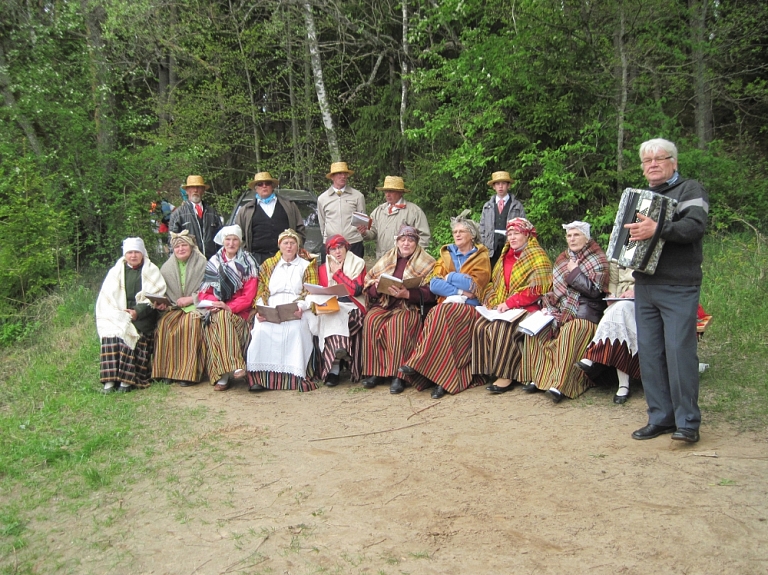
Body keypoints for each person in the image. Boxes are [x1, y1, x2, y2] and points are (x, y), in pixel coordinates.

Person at [626, 138, 708, 444]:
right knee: (649, 354)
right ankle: (660, 417)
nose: (653, 165)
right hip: (645, 284)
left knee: (679, 352)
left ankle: (688, 422)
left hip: (679, 285)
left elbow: (695, 228)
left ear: (673, 161)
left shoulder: (690, 189)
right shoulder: (640, 196)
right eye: (647, 161)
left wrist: (658, 228)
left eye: (659, 159)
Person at [398, 212, 492, 398]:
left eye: (461, 231)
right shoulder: (447, 254)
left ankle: (421, 364)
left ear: (471, 235)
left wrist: (449, 277)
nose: (456, 235)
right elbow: (434, 284)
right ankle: (442, 377)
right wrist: (458, 291)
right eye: (455, 231)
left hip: (471, 307)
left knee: (441, 315)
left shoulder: (481, 256)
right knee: (438, 314)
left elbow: (474, 286)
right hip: (448, 304)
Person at [518, 221, 609, 403]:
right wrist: (549, 306)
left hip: (585, 315)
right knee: (537, 329)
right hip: (563, 311)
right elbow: (557, 291)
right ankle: (540, 378)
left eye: (576, 235)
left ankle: (560, 384)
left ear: (586, 237)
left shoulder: (598, 257)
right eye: (569, 235)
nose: (572, 239)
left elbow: (594, 291)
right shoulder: (562, 258)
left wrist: (574, 272)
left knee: (570, 331)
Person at [472, 218, 553, 394]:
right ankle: (486, 371)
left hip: (528, 308)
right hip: (504, 307)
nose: (512, 238)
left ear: (527, 235)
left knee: (502, 327)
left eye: (517, 233)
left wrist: (510, 303)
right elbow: (494, 283)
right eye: (510, 234)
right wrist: (493, 301)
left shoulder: (538, 255)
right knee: (480, 325)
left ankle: (506, 374)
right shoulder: (505, 255)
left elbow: (538, 288)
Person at [360, 225, 436, 391]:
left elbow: (433, 291)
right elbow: (369, 282)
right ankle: (376, 373)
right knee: (372, 320)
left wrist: (408, 294)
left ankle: (399, 376)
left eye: (410, 240)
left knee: (398, 324)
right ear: (397, 242)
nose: (406, 243)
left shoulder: (427, 261)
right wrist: (377, 286)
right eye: (402, 240)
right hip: (386, 303)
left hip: (409, 306)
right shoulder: (387, 258)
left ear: (416, 243)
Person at [246, 229, 319, 391]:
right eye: (285, 243)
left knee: (296, 330)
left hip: (296, 306)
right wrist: (261, 309)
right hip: (272, 306)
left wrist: (302, 307)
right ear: (279, 246)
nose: (289, 247)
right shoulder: (269, 265)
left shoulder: (307, 266)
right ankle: (260, 379)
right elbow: (262, 290)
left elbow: (311, 291)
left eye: (292, 243)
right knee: (261, 331)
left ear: (297, 246)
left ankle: (295, 377)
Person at [96, 237, 166, 394]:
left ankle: (127, 381)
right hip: (119, 312)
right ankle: (110, 380)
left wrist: (137, 312)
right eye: (130, 252)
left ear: (142, 253)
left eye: (136, 252)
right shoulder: (115, 272)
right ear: (125, 254)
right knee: (112, 333)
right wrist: (119, 313)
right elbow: (107, 297)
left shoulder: (151, 270)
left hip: (143, 315)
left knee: (130, 333)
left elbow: (153, 296)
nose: (133, 256)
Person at [198, 225, 259, 391]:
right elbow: (205, 293)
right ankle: (235, 365)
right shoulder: (214, 262)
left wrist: (228, 306)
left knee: (222, 319)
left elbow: (249, 296)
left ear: (240, 242)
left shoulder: (248, 262)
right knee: (219, 318)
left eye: (235, 239)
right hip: (217, 310)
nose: (231, 243)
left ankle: (223, 376)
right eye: (228, 239)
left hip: (239, 313)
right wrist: (216, 304)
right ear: (223, 241)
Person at [306, 234, 367, 386]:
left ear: (346, 248)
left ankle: (334, 368)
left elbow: (355, 290)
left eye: (340, 247)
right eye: (333, 249)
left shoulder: (358, 263)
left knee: (337, 316)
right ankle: (340, 354)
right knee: (326, 316)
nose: (337, 252)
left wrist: (338, 274)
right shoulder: (322, 269)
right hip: (332, 306)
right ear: (328, 252)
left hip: (354, 306)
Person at [151, 230, 208, 386]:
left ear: (191, 247)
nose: (181, 249)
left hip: (196, 307)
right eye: (177, 247)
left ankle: (187, 373)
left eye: (184, 245)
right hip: (175, 308)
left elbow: (210, 288)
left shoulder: (202, 263)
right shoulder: (166, 268)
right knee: (165, 325)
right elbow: (164, 291)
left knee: (189, 324)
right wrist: (164, 303)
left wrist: (191, 298)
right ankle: (166, 371)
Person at [576, 263, 638, 404]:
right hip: (621, 299)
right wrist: (612, 295)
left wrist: (636, 289)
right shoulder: (620, 245)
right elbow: (614, 281)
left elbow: (653, 276)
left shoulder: (648, 243)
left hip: (643, 297)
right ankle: (623, 384)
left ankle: (592, 354)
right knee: (616, 313)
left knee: (619, 312)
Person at [236, 172, 306, 265]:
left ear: (272, 186)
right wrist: (246, 256)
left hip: (285, 258)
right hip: (256, 260)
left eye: (267, 183)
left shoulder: (289, 206)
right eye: (260, 184)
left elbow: (300, 229)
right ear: (255, 189)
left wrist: (295, 250)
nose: (264, 186)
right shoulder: (245, 210)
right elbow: (238, 236)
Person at [357, 176, 431, 258]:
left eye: (391, 191)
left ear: (400, 193)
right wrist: (364, 232)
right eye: (386, 191)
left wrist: (414, 256)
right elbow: (372, 233)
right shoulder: (378, 211)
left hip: (405, 260)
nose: (387, 194)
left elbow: (424, 237)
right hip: (382, 259)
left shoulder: (414, 211)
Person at [317, 162, 366, 258]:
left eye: (345, 174)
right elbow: (322, 223)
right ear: (332, 177)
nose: (343, 176)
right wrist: (328, 239)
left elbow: (362, 221)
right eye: (339, 174)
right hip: (332, 245)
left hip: (353, 243)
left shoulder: (358, 196)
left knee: (354, 272)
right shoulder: (322, 198)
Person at [168, 175, 223, 259]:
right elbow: (172, 243)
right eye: (192, 187)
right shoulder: (178, 214)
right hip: (190, 263)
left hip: (212, 262)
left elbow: (221, 238)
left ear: (203, 190)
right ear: (186, 191)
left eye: (199, 187)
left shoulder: (212, 212)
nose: (195, 190)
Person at [480, 171, 526, 269]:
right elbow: (482, 229)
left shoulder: (517, 206)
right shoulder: (487, 206)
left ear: (508, 185)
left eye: (503, 183)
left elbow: (524, 229)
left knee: (508, 272)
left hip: (510, 246)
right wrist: (484, 246)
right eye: (497, 184)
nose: (500, 186)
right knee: (492, 275)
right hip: (491, 248)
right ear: (493, 186)